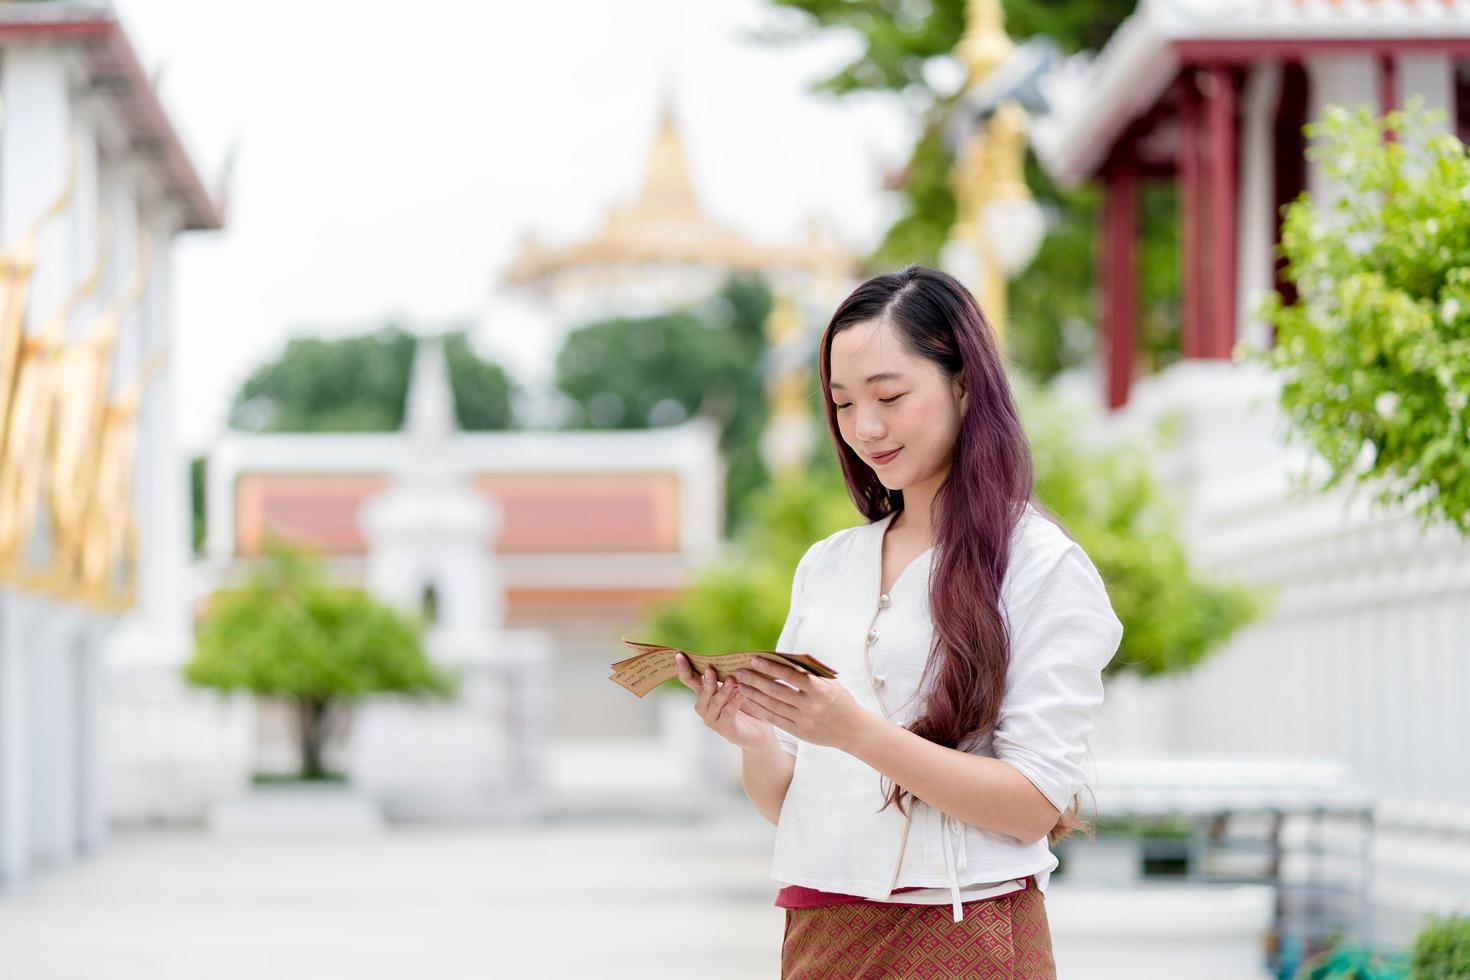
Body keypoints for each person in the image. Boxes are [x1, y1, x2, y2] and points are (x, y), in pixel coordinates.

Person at [673, 265, 1124, 978]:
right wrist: (755, 739)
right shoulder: (828, 566)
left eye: (889, 396)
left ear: (965, 384)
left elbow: (1034, 804)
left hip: (965, 931)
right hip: (819, 929)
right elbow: (788, 802)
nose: (865, 428)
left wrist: (855, 733)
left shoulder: (1041, 566)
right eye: (844, 404)